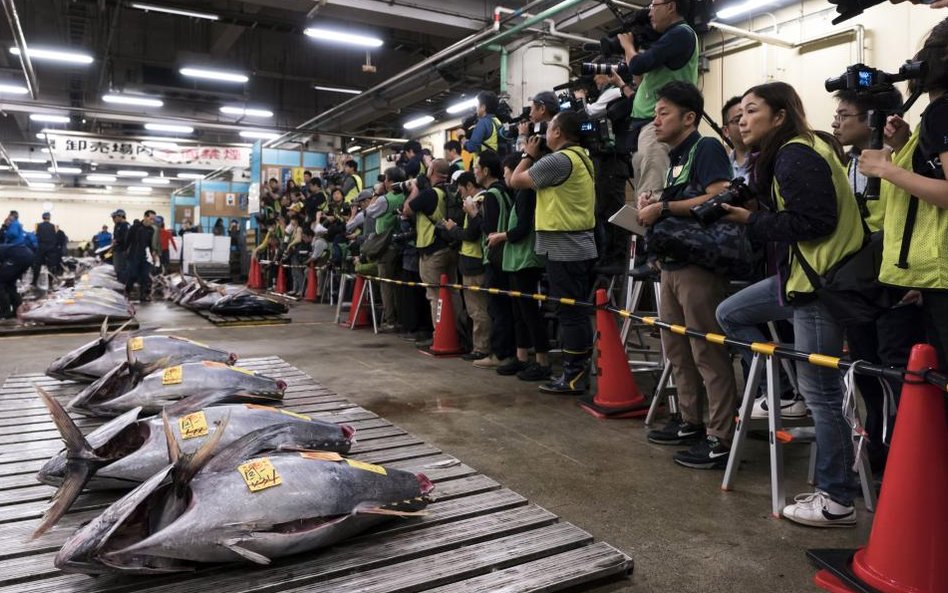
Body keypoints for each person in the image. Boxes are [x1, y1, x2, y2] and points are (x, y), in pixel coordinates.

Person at [717, 81, 864, 527]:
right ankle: (784, 394)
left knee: (824, 394)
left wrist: (752, 220)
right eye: (739, 113)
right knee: (731, 314)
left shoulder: (796, 153)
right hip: (800, 278)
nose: (742, 119)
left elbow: (815, 222)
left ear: (780, 116)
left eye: (751, 110)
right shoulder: (795, 151)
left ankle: (836, 499)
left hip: (819, 284)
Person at [632, 82, 739, 469]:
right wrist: (658, 202)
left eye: (663, 113)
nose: (656, 120)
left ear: (689, 117)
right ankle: (691, 421)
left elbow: (720, 196)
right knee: (677, 349)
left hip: (699, 266)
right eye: (655, 113)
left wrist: (664, 208)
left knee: (707, 351)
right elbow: (683, 200)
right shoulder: (675, 156)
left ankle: (720, 437)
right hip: (672, 264)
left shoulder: (706, 147)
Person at [831, 87, 923, 476]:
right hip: (860, 283)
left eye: (844, 115)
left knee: (896, 369)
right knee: (866, 368)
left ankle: (909, 461)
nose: (836, 122)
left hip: (894, 281)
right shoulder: (848, 163)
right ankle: (879, 450)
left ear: (872, 121)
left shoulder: (901, 160)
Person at [859, 17, 948, 370]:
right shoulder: (936, 115)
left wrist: (887, 169)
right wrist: (903, 145)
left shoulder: (942, 110)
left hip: (941, 271)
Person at [509, 110, 597, 395]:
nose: (544, 134)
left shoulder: (559, 160)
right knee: (575, 312)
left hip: (565, 246)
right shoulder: (581, 157)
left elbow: (516, 180)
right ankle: (576, 373)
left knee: (570, 313)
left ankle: (573, 377)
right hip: (575, 244)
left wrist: (528, 154)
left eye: (549, 129)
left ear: (558, 132)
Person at [618, 0, 699, 198]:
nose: (650, 12)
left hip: (658, 125)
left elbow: (637, 65)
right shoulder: (668, 41)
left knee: (651, 195)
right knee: (645, 191)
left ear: (671, 6)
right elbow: (640, 77)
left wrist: (628, 45)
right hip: (649, 123)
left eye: (654, 5)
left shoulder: (681, 33)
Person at [489, 154, 552, 381]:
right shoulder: (519, 194)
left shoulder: (527, 193)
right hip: (516, 260)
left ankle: (542, 361)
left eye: (507, 172)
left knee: (529, 313)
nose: (506, 177)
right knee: (519, 313)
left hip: (526, 260)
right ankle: (522, 356)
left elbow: (523, 228)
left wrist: (500, 236)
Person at [403, 158, 461, 332]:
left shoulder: (430, 194)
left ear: (432, 171)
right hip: (451, 246)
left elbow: (407, 210)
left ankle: (441, 335)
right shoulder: (451, 191)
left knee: (435, 295)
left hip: (432, 250)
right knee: (453, 292)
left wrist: (414, 188)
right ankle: (459, 333)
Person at [472, 151, 517, 371]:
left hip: (495, 257)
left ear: (486, 170)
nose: (474, 172)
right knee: (506, 307)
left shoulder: (491, 195)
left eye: (476, 167)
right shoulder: (505, 191)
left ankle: (500, 354)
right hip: (507, 256)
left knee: (498, 308)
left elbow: (489, 229)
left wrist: (474, 214)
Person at [442, 171, 492, 361]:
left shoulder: (476, 202)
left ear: (469, 186)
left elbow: (471, 234)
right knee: (479, 308)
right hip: (476, 259)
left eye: (461, 189)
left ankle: (481, 348)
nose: (459, 193)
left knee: (477, 309)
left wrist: (452, 229)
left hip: (474, 261)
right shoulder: (483, 199)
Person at [366, 167, 408, 330]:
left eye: (385, 179)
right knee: (398, 284)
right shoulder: (405, 196)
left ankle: (390, 320)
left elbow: (369, 212)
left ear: (389, 181)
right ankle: (401, 318)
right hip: (402, 244)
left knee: (386, 285)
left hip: (386, 246)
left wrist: (376, 193)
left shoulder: (384, 199)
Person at [0, 211, 32, 319]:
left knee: (0, 282)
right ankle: (17, 309)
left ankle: (5, 312)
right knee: (9, 284)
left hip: (19, 256)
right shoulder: (17, 226)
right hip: (27, 254)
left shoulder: (14, 226)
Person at [125, 210, 159, 301]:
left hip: (145, 256)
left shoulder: (151, 230)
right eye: (151, 219)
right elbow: (127, 241)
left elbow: (150, 244)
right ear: (145, 217)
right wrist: (126, 253)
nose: (152, 221)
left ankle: (143, 295)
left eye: (154, 219)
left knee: (145, 275)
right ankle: (127, 292)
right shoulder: (135, 227)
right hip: (134, 255)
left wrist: (153, 254)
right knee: (133, 275)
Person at [464, 91, 505, 158]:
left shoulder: (483, 123)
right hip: (497, 161)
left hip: (484, 162)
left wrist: (462, 138)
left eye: (477, 105)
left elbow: (472, 147)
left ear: (483, 107)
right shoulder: (497, 122)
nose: (476, 108)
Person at [722, 96, 751, 179]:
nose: (744, 122)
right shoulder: (722, 167)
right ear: (726, 131)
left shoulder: (771, 160)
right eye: (738, 120)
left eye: (750, 116)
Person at [32, 212, 58, 287]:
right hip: (50, 248)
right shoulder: (53, 226)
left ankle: (34, 281)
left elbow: (37, 236)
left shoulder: (39, 226)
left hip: (41, 247)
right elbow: (54, 237)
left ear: (42, 217)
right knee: (51, 265)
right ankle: (50, 282)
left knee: (37, 265)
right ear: (49, 218)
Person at [111, 210, 129, 282]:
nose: (114, 218)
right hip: (117, 250)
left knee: (122, 268)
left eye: (116, 217)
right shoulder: (117, 225)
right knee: (117, 268)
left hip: (122, 250)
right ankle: (119, 281)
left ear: (121, 216)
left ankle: (122, 283)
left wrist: (117, 241)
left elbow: (126, 238)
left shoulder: (126, 225)